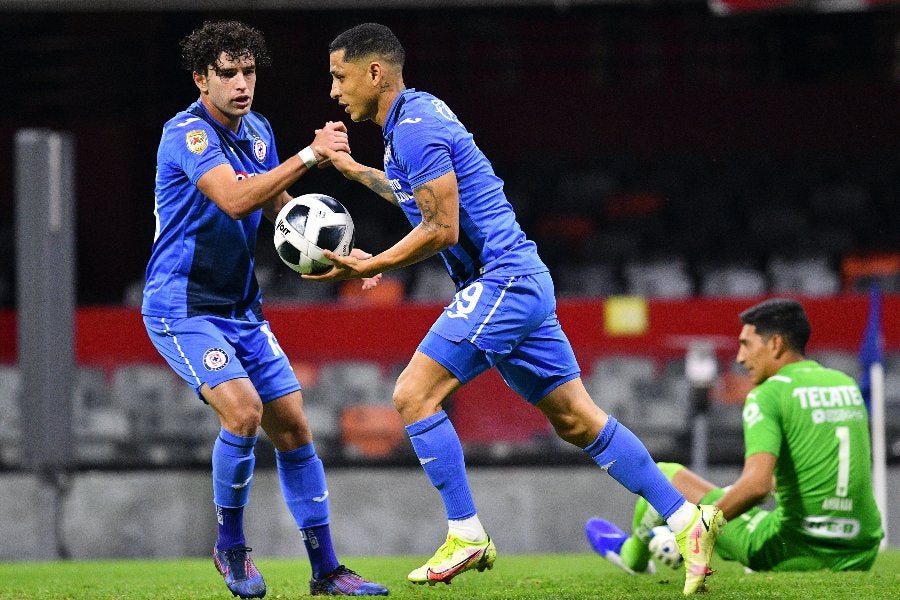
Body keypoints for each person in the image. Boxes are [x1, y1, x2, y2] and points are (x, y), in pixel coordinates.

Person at [304, 22, 723, 595]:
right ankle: (686, 519)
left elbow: (442, 228)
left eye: (339, 75)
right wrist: (354, 173)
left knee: (412, 394)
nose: (334, 90)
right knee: (577, 419)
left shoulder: (416, 129)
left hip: (501, 280)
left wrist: (373, 264)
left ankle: (466, 532)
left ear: (374, 72)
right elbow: (415, 196)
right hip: (520, 281)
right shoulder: (413, 120)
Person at [142, 20, 387, 598]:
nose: (241, 83)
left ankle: (326, 571)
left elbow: (279, 205)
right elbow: (234, 199)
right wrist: (311, 154)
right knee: (244, 412)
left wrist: (340, 254)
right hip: (182, 306)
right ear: (202, 79)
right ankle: (230, 548)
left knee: (295, 428)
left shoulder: (257, 129)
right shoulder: (187, 135)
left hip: (241, 306)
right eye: (227, 73)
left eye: (248, 71)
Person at [586, 298, 884, 580]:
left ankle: (632, 557)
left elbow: (758, 486)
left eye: (746, 345)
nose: (740, 358)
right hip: (862, 549)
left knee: (666, 475)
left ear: (776, 344)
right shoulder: (845, 384)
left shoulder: (768, 394)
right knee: (726, 498)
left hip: (798, 550)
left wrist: (696, 534)